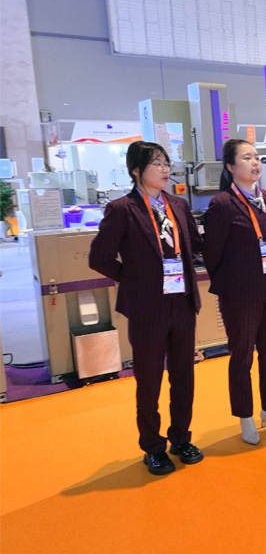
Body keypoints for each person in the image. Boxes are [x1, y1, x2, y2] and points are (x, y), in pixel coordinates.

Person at [89, 141, 204, 475]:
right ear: (137, 171)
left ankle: (181, 438)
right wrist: (133, 279)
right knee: (150, 380)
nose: (165, 169)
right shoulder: (122, 209)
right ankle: (153, 447)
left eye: (167, 163)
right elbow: (99, 258)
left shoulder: (178, 205)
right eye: (157, 163)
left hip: (182, 302)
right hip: (147, 307)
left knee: (184, 375)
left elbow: (195, 245)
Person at [203, 139, 266, 445]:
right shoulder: (222, 204)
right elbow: (212, 254)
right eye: (247, 158)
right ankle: (245, 416)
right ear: (230, 166)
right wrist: (232, 282)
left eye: (257, 157)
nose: (255, 163)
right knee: (241, 357)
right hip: (239, 294)